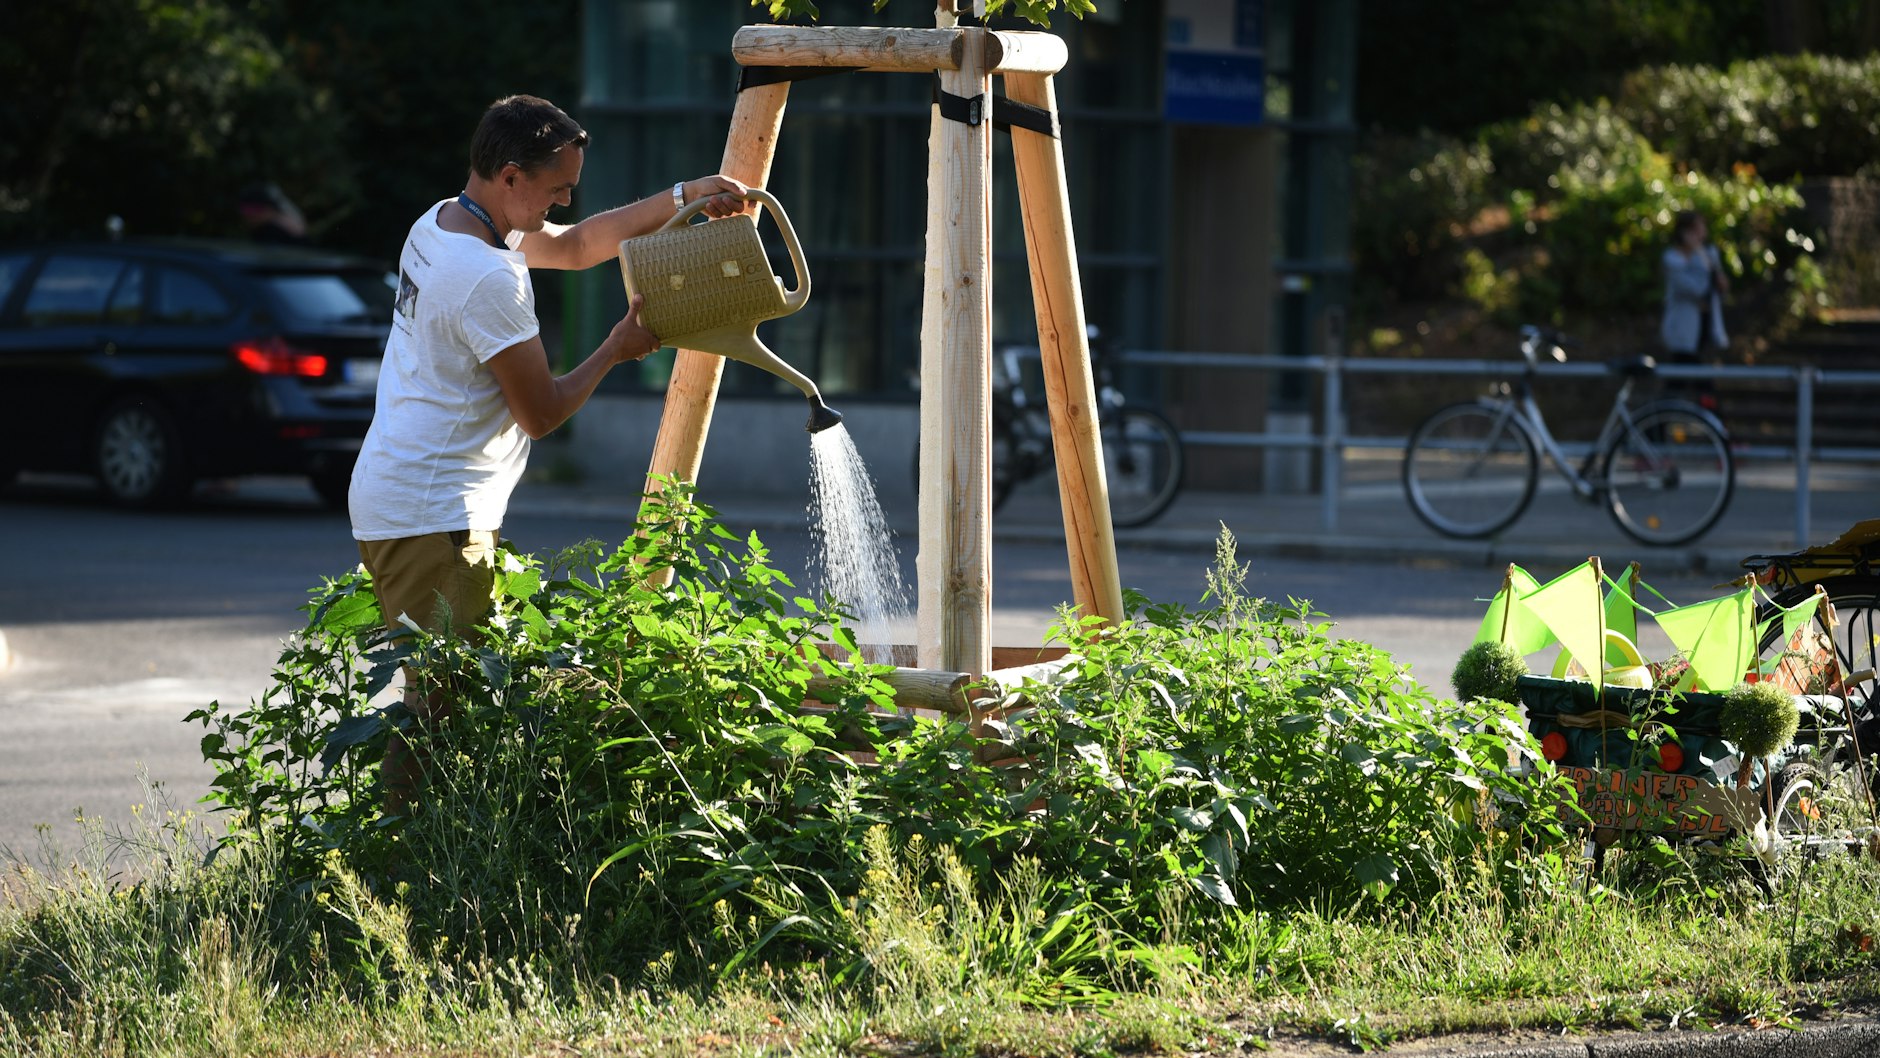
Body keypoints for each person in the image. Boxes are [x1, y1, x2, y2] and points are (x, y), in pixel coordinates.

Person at [348, 94, 749, 814]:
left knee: (440, 693)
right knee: (446, 707)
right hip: (433, 512)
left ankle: (413, 857)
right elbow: (540, 414)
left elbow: (576, 245)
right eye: (557, 187)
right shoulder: (486, 278)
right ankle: (406, 869)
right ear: (510, 177)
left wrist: (686, 195)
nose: (566, 199)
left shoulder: (443, 223)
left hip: (401, 494)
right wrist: (615, 350)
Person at [1659, 209, 1730, 411]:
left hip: (1703, 332)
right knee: (1698, 385)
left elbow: (1720, 289)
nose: (1702, 235)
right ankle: (1721, 432)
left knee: (1680, 385)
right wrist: (1701, 258)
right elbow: (1696, 289)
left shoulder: (1707, 256)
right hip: (1684, 335)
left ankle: (1655, 431)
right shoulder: (1673, 259)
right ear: (1684, 232)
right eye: (1697, 229)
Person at [237, 182, 309, 245]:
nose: (250, 216)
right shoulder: (261, 230)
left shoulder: (275, 232)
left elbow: (299, 231)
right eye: (246, 211)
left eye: (255, 210)